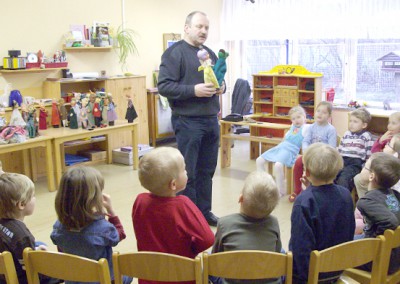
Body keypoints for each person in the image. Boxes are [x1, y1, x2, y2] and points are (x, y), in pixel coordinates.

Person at [157, 11, 225, 226]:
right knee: (189, 173)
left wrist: (221, 87)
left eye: (206, 27)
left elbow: (218, 79)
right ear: (187, 28)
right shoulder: (174, 53)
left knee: (207, 170)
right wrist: (193, 90)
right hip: (188, 121)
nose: (203, 31)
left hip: (210, 120)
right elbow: (164, 86)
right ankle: (188, 218)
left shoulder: (210, 54)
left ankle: (204, 212)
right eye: (199, 27)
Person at [132, 147, 214, 284]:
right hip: (181, 276)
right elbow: (208, 238)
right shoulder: (182, 205)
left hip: (150, 276)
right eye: (184, 169)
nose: (187, 172)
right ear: (173, 184)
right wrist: (191, 250)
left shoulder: (140, 201)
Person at [50, 166, 131, 284]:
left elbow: (61, 251)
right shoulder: (103, 229)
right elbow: (120, 235)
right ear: (93, 198)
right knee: (128, 273)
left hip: (73, 280)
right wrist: (111, 211)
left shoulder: (58, 227)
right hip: (103, 279)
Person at [289, 143, 355, 284]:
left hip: (311, 275)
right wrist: (310, 190)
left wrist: (308, 192)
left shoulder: (303, 202)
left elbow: (300, 249)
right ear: (337, 171)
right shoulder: (345, 194)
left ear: (307, 173)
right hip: (338, 268)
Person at [212, 171, 282, 284]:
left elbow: (215, 259)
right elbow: (277, 254)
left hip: (234, 280)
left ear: (241, 199)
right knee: (281, 253)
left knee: (211, 260)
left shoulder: (224, 223)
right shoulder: (274, 223)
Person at [0, 173, 58, 284]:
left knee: (39, 244)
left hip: (3, 274)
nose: (35, 198)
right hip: (19, 279)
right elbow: (31, 269)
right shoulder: (22, 236)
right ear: (21, 204)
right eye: (33, 196)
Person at [356, 152, 400, 275]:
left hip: (381, 261)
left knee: (334, 251)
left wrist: (378, 240)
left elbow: (391, 222)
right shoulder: (393, 194)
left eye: (366, 167)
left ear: (371, 176)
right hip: (395, 256)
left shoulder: (366, 202)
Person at [289, 101, 337, 202]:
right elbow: (306, 141)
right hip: (310, 155)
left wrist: (321, 154)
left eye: (324, 112)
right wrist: (307, 152)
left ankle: (313, 191)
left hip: (323, 157)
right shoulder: (311, 127)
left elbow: (331, 147)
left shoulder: (331, 129)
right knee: (298, 163)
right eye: (318, 111)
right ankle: (298, 190)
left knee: (316, 169)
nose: (320, 114)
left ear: (329, 116)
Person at [256, 105, 308, 196]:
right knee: (259, 160)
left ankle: (280, 191)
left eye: (299, 117)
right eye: (293, 119)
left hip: (291, 151)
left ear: (304, 117)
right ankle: (265, 185)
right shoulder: (293, 126)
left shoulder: (306, 128)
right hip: (281, 147)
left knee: (278, 165)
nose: (296, 120)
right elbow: (284, 139)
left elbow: (306, 143)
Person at [334, 107, 374, 191]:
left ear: (364, 125)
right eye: (350, 121)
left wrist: (366, 167)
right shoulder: (346, 134)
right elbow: (340, 149)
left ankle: (343, 199)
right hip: (342, 160)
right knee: (331, 175)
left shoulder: (366, 136)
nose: (351, 124)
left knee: (344, 179)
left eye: (355, 122)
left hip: (355, 163)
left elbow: (369, 153)